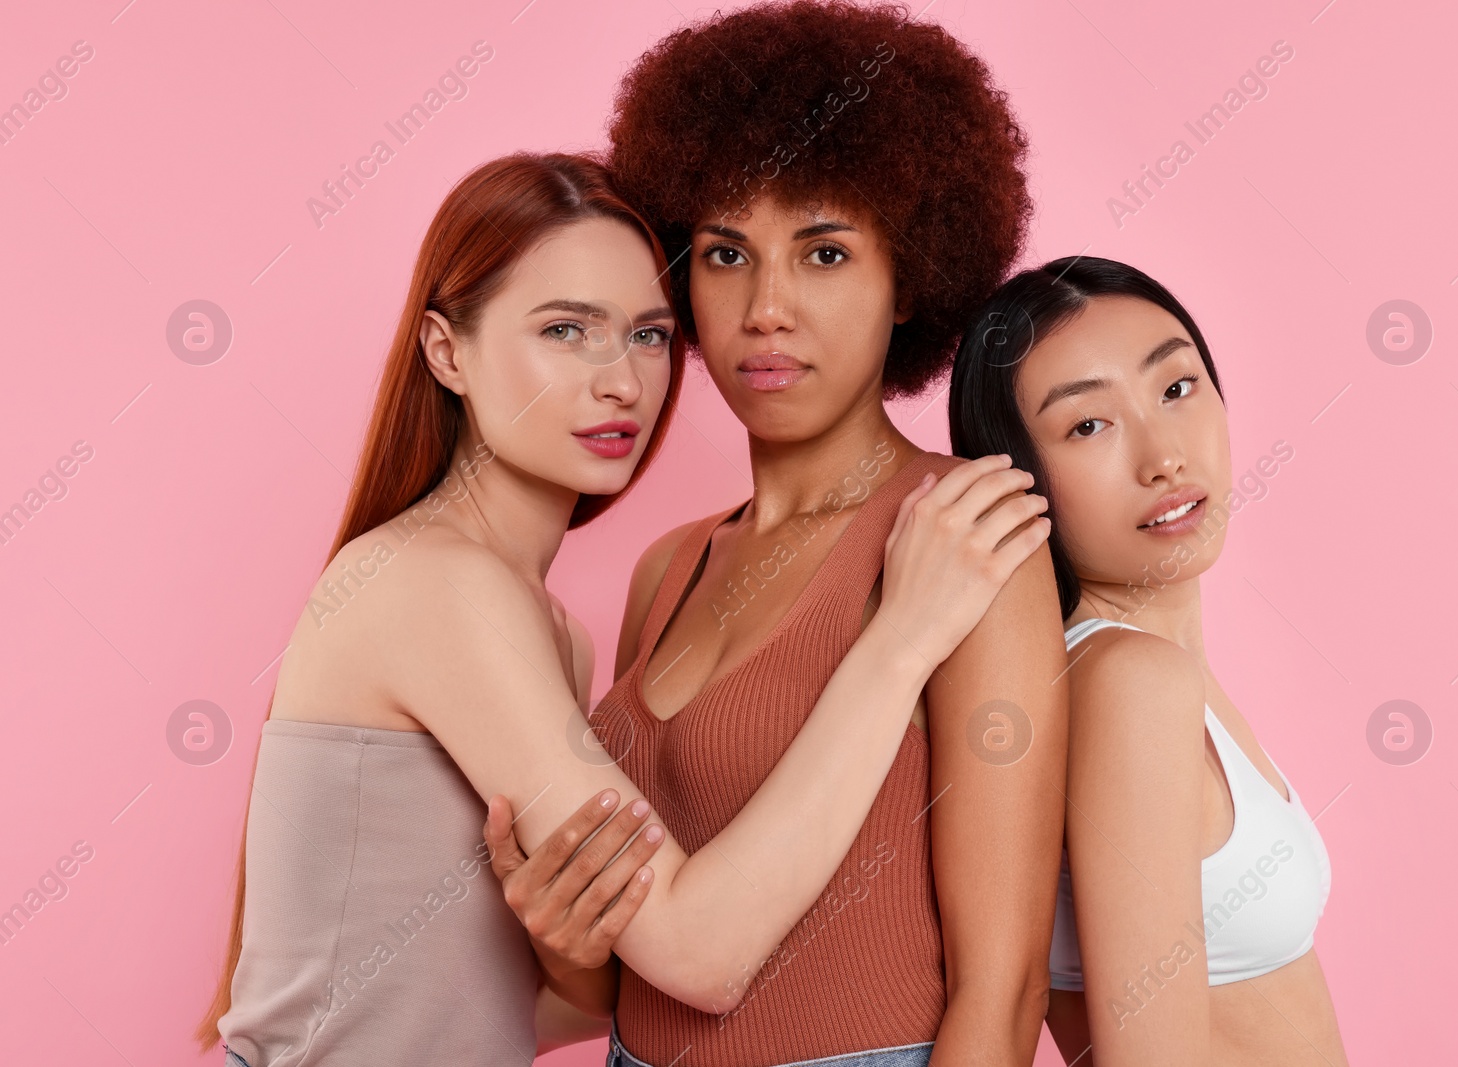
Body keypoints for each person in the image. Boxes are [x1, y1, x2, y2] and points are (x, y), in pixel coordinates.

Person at [194, 150, 1050, 1067]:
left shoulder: (557, 630)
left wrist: (568, 947)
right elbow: (696, 955)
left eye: (646, 334)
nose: (621, 382)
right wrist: (900, 639)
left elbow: (498, 1001)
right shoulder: (440, 585)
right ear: (447, 351)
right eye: (566, 331)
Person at [485, 5, 1072, 1066]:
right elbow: (642, 953)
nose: (765, 306)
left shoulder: (965, 537)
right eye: (725, 253)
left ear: (910, 280)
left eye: (825, 251)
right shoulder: (670, 568)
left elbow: (1004, 982)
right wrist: (564, 935)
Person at [948, 255, 1348, 1066]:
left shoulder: (1142, 666)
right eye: (1088, 425)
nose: (1163, 455)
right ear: (1020, 476)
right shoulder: (1129, 681)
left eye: (1175, 387)